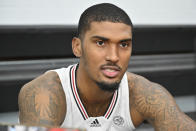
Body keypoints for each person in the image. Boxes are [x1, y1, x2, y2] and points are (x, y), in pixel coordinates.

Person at [18, 3, 196, 131]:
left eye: (124, 44)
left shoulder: (144, 94)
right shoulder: (43, 93)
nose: (114, 56)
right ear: (77, 47)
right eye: (101, 42)